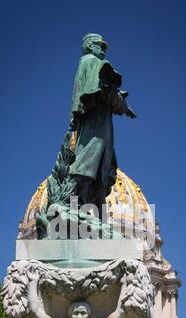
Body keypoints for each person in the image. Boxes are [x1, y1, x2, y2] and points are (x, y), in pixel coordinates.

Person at [67, 33, 136, 215]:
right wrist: (122, 105)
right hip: (96, 122)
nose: (103, 50)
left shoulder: (87, 63)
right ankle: (77, 203)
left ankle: (88, 204)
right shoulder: (93, 63)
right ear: (90, 45)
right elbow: (104, 92)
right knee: (90, 158)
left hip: (98, 119)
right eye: (100, 46)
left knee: (100, 162)